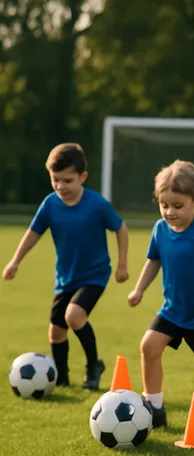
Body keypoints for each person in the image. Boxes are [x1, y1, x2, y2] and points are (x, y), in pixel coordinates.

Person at [3, 143, 129, 390]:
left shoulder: (96, 204)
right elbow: (32, 234)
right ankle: (60, 378)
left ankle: (93, 367)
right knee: (56, 333)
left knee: (74, 315)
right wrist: (15, 261)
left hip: (95, 274)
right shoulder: (50, 204)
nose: (61, 186)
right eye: (56, 180)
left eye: (68, 180)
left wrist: (122, 264)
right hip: (66, 278)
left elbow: (120, 229)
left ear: (83, 177)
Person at [128, 160, 194, 428]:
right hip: (173, 310)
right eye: (164, 205)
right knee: (149, 347)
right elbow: (154, 261)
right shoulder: (160, 230)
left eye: (177, 206)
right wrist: (139, 289)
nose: (169, 212)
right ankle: (154, 408)